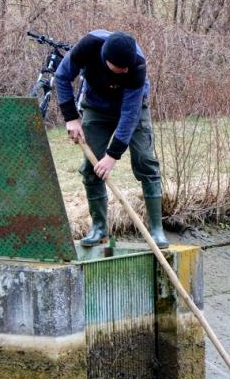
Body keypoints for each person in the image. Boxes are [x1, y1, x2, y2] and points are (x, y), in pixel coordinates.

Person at [54, 29, 168, 247]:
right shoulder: (87, 47)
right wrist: (71, 118)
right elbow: (61, 76)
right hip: (97, 106)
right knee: (91, 167)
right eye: (120, 67)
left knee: (145, 160)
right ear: (106, 60)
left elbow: (130, 115)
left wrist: (112, 156)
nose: (125, 70)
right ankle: (99, 229)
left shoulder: (136, 66)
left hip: (134, 108)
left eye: (128, 66)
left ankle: (156, 230)